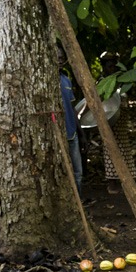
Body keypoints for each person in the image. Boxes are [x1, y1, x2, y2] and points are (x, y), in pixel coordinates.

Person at [57, 47, 82, 194]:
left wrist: (81, 133)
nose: (60, 61)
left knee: (78, 172)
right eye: (57, 57)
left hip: (72, 133)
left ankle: (78, 200)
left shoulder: (66, 80)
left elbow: (73, 108)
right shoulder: (48, 81)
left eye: (62, 58)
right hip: (59, 133)